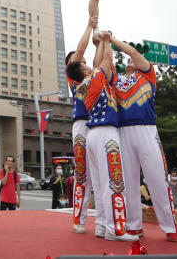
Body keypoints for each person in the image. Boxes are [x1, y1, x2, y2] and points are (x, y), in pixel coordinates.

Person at [65, 30, 137, 242]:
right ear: (82, 69)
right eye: (85, 63)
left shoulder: (87, 83)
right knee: (111, 180)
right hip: (102, 131)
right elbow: (105, 61)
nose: (88, 64)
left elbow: (100, 64)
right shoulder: (90, 77)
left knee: (98, 182)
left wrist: (100, 44)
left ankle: (102, 224)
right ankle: (115, 228)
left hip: (94, 131)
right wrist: (106, 41)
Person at [109, 36, 177, 242]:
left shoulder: (148, 74)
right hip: (123, 132)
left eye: (134, 60)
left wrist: (112, 39)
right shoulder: (118, 80)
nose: (131, 61)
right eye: (128, 61)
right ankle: (134, 225)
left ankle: (169, 226)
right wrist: (103, 42)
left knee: (157, 178)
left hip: (146, 129)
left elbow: (132, 52)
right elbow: (105, 65)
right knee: (128, 181)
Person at [64, 16, 97, 234]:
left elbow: (101, 63)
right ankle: (79, 219)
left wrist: (101, 41)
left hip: (99, 126)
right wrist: (89, 25)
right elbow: (80, 49)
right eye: (80, 59)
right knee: (83, 173)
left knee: (101, 174)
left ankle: (106, 222)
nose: (83, 61)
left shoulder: (93, 76)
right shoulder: (74, 76)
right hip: (81, 126)